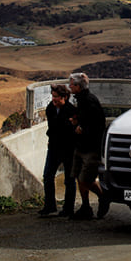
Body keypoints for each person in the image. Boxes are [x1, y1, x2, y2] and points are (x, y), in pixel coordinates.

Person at [68, 72, 110, 220]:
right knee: (79, 177)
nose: (69, 87)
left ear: (78, 87)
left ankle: (103, 197)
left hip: (90, 148)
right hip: (81, 146)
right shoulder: (81, 100)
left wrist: (83, 128)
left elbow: (97, 124)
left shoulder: (89, 101)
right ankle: (86, 207)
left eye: (72, 84)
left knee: (85, 178)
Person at [38, 84, 77, 217]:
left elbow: (72, 131)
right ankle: (49, 206)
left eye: (56, 97)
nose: (53, 100)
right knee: (48, 175)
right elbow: (52, 127)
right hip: (54, 147)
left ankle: (68, 208)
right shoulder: (51, 108)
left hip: (68, 148)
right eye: (53, 97)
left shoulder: (71, 110)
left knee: (69, 179)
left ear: (64, 97)